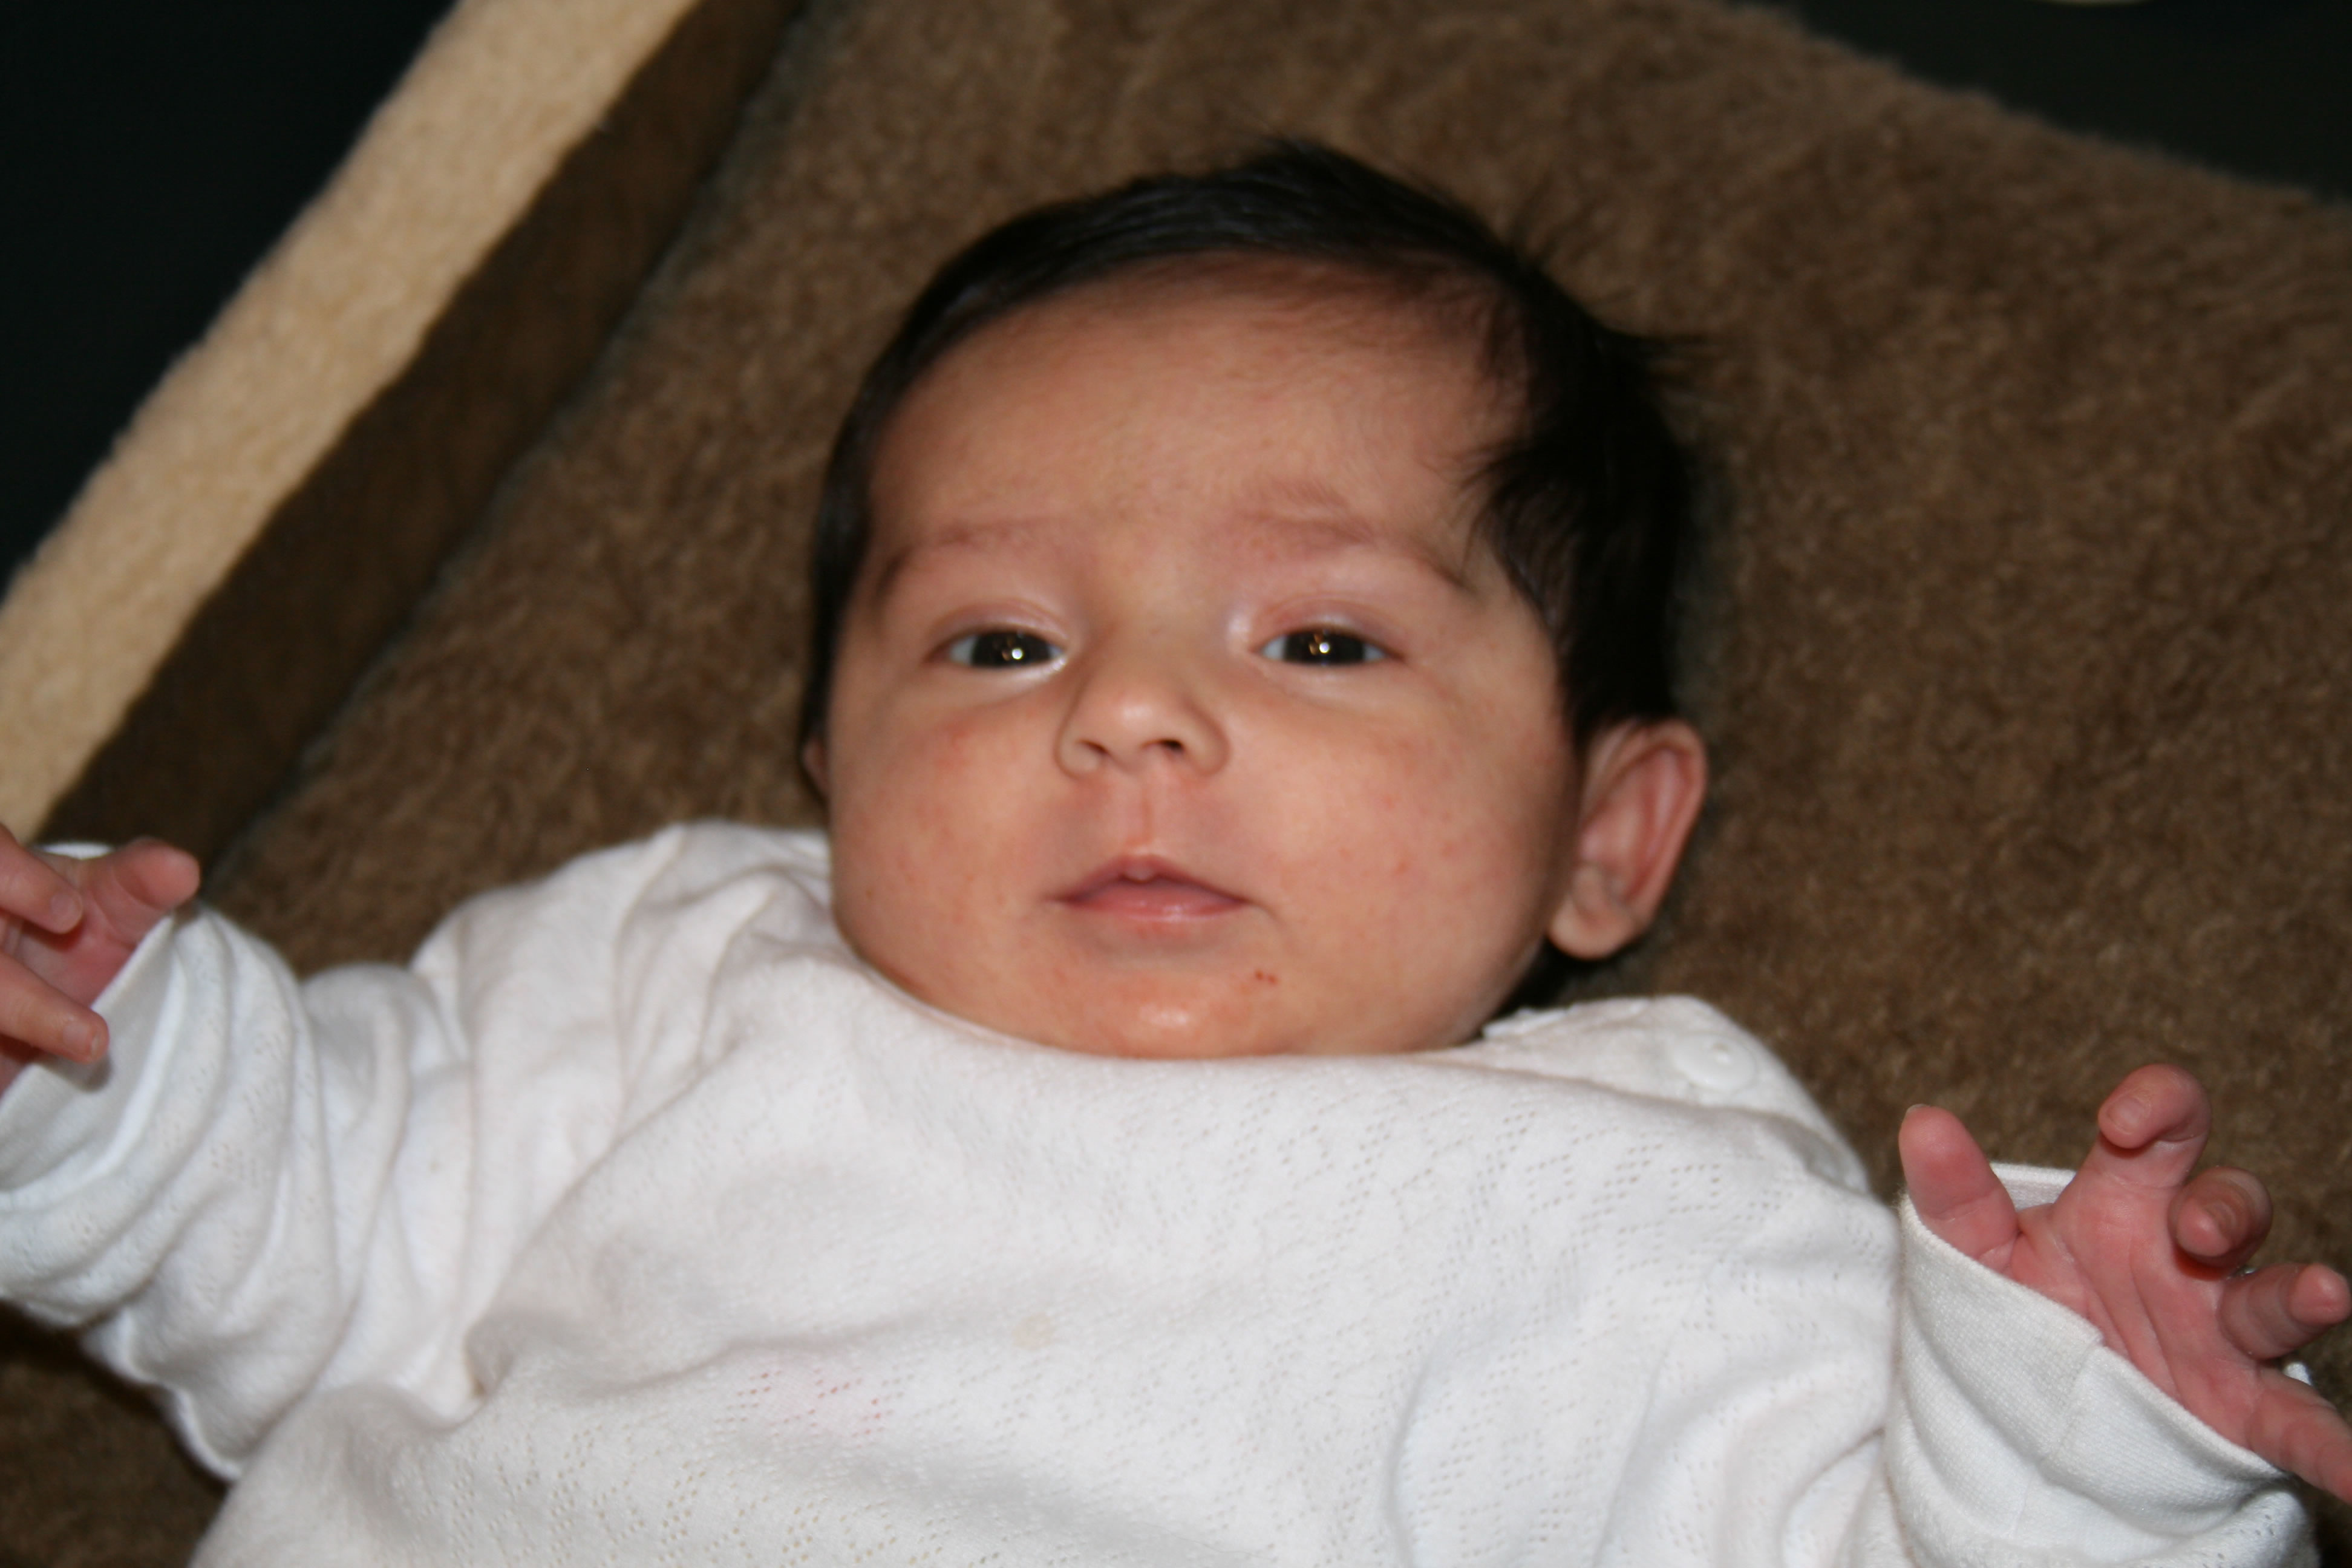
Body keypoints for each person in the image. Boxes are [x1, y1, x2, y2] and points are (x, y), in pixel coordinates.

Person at [1, 142, 2347, 1564]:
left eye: (1320, 638)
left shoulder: (1651, 1199)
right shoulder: (686, 966)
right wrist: (81, 1047)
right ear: (828, 760)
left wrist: (2075, 1435)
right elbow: (300, 1202)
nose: (1125, 713)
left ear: (1607, 837)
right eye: (999, 642)